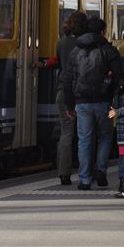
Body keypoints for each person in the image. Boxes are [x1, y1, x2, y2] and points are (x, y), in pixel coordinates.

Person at [63, 16, 123, 190]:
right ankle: (101, 170)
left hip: (81, 102)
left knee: (84, 140)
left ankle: (84, 179)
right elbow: (119, 76)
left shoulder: (76, 51)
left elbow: (68, 79)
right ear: (102, 31)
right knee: (105, 137)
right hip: (104, 101)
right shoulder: (108, 50)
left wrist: (69, 104)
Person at [52, 11, 88, 185]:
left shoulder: (61, 43)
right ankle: (85, 173)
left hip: (62, 92)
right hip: (81, 93)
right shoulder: (84, 44)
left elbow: (59, 63)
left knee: (66, 133)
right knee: (85, 134)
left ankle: (63, 173)